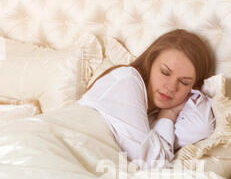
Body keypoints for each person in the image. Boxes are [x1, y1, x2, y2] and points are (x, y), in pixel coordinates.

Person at [79, 29, 216, 169]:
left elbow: (202, 127)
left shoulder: (153, 118)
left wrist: (172, 111)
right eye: (165, 72)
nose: (171, 87)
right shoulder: (127, 80)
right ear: (150, 63)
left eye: (184, 82)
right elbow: (152, 164)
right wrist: (169, 115)